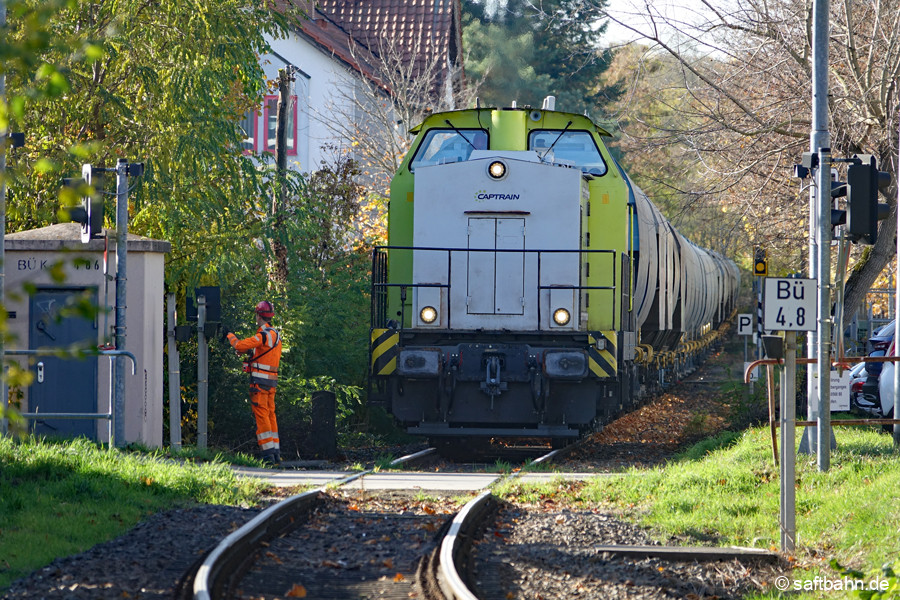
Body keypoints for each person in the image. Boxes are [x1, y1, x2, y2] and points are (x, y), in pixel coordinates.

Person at [226, 301, 283, 465]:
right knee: (271, 415)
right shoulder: (275, 336)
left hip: (259, 383)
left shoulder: (263, 335)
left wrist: (230, 335)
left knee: (262, 416)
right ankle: (275, 454)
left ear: (259, 315)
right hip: (271, 384)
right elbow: (263, 354)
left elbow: (240, 344)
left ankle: (267, 456)